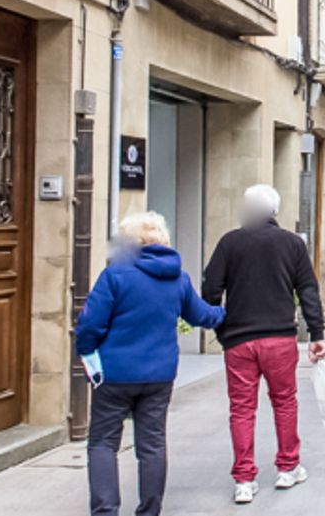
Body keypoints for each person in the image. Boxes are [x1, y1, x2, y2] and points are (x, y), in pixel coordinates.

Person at [75, 210, 224, 516]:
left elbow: (91, 324)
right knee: (152, 444)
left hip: (114, 374)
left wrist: (87, 352)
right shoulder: (178, 278)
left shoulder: (115, 275)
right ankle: (150, 510)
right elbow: (201, 316)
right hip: (158, 376)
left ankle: (105, 511)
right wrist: (230, 313)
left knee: (103, 443)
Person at [201, 184, 325, 506]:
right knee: (285, 401)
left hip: (240, 342)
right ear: (275, 212)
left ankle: (244, 479)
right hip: (280, 339)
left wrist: (223, 328)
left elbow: (211, 290)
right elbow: (308, 290)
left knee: (242, 408)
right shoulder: (292, 244)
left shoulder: (230, 243)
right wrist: (317, 334)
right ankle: (288, 467)